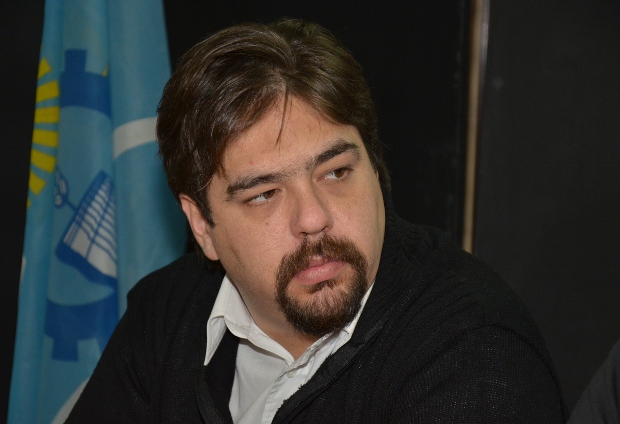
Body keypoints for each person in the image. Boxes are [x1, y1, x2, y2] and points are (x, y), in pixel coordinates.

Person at [67, 18, 567, 422]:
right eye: (264, 195)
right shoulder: (164, 316)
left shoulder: (474, 352)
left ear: (375, 168)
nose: (313, 218)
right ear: (201, 225)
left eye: (336, 172)